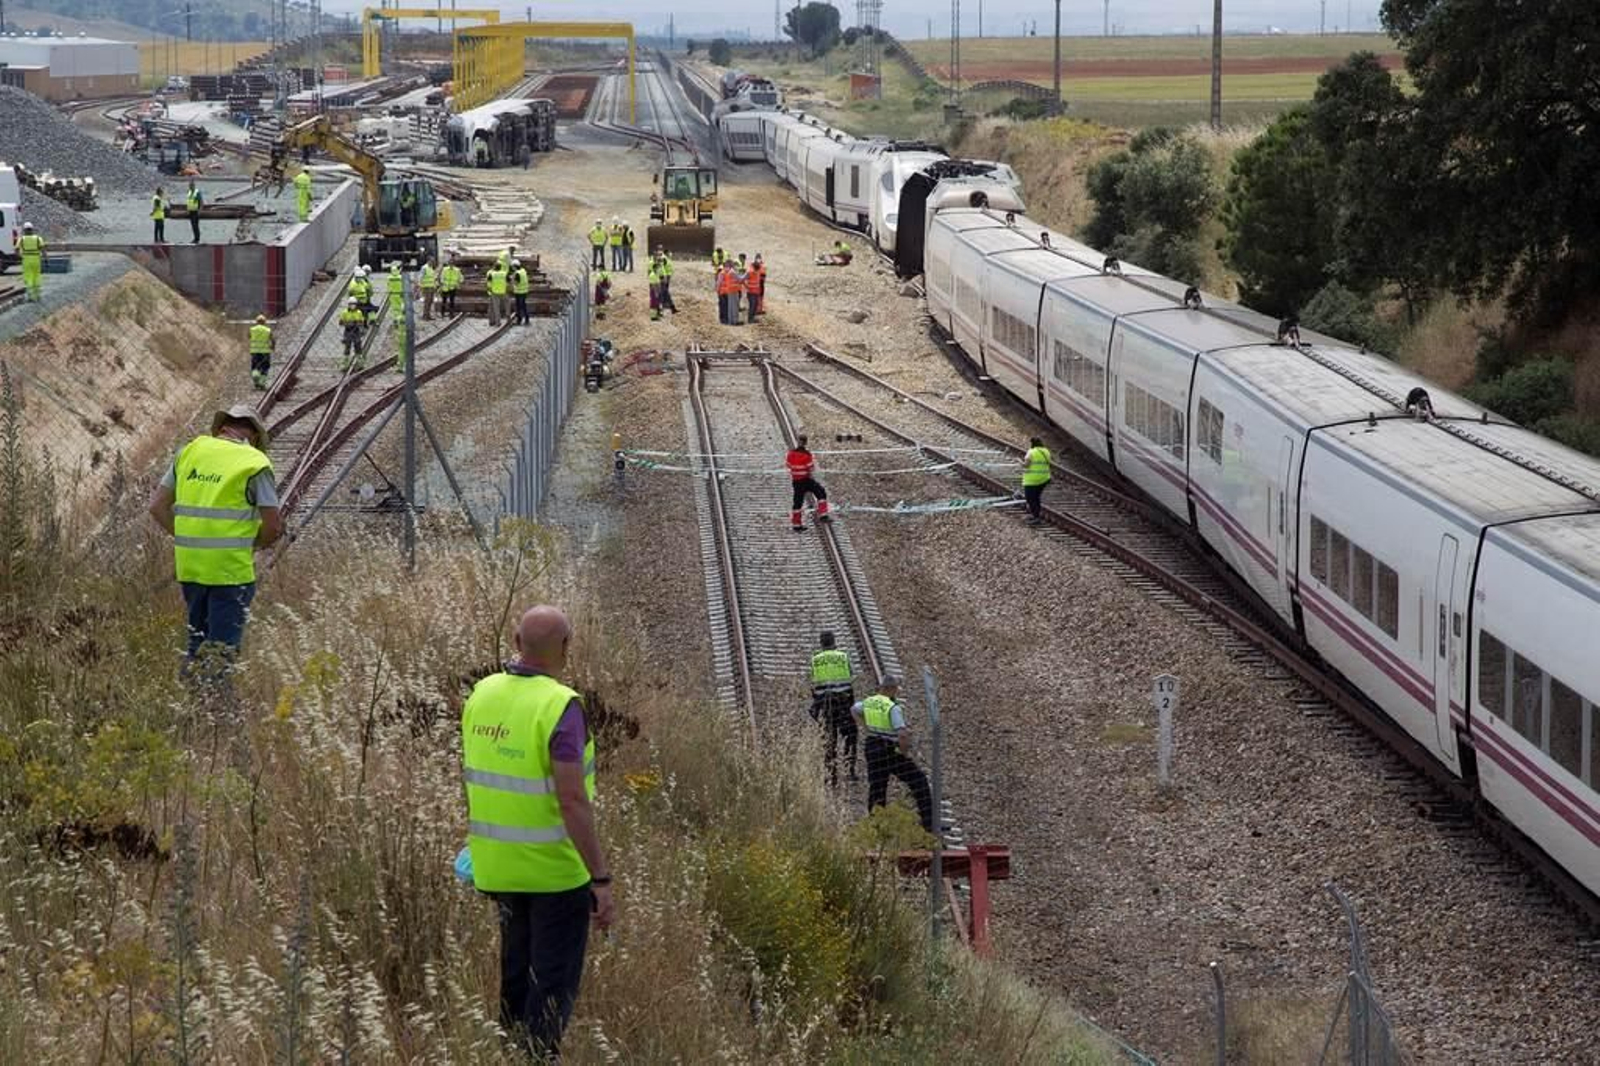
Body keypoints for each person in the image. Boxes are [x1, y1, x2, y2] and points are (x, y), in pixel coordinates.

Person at [461, 605, 614, 1061]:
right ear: (565, 648)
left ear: (515, 641)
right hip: (554, 874)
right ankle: (534, 1058)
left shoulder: (481, 694)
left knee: (514, 977)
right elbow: (571, 800)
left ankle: (510, 1054)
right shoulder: (560, 707)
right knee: (551, 985)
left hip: (496, 868)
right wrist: (600, 879)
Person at [147, 404, 281, 675]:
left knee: (196, 645)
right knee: (221, 652)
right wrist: (253, 542)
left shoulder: (189, 453)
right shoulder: (254, 463)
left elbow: (157, 507)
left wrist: (189, 537)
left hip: (191, 569)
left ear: (222, 428)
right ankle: (215, 708)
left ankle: (192, 706)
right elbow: (274, 526)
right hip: (230, 572)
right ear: (253, 436)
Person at [852, 676, 935, 833]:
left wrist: (865, 727)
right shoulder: (893, 707)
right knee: (919, 780)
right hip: (889, 750)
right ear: (890, 689)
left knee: (877, 786)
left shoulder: (869, 702)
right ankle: (928, 824)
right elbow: (902, 735)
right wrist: (903, 752)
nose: (897, 692)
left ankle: (876, 826)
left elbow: (854, 709)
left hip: (872, 747)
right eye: (896, 689)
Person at [810, 631, 858, 786]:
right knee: (850, 735)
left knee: (829, 738)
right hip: (843, 702)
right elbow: (852, 675)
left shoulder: (815, 660)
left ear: (821, 643)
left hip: (825, 704)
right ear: (834, 642)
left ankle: (831, 773)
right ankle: (849, 770)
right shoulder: (843, 656)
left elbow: (813, 682)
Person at [785, 434, 832, 532]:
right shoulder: (807, 455)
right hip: (806, 480)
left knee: (797, 502)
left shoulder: (791, 454)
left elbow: (788, 465)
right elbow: (810, 468)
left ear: (798, 441)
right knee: (821, 492)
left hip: (796, 482)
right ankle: (823, 515)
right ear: (806, 443)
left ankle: (796, 524)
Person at [1021, 435, 1051, 523]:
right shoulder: (1046, 451)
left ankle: (1035, 517)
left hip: (1032, 479)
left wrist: (1019, 462)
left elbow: (1026, 464)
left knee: (1030, 498)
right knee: (1036, 497)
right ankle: (1035, 515)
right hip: (1044, 478)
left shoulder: (1031, 452)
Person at [17, 222, 43, 302]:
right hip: (36, 260)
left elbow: (17, 249)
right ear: (32, 229)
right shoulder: (38, 238)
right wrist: (46, 259)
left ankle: (31, 297)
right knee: (37, 277)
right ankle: (38, 295)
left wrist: (20, 256)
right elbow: (43, 249)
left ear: (24, 230)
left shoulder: (21, 239)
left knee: (29, 277)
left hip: (26, 260)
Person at [338, 298, 366, 369]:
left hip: (356, 331)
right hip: (348, 330)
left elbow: (361, 322)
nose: (352, 306)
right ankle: (345, 364)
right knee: (347, 347)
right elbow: (340, 322)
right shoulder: (345, 312)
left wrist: (359, 326)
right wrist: (348, 323)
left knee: (358, 347)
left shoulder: (359, 312)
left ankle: (360, 363)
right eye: (351, 304)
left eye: (354, 304)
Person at [248, 313, 273, 390]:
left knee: (255, 366)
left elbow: (249, 337)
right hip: (265, 352)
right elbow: (272, 339)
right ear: (264, 322)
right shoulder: (268, 330)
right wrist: (272, 347)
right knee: (265, 367)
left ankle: (255, 377)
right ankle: (262, 383)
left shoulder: (252, 329)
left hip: (254, 352)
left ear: (256, 321)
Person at [486, 260, 508, 326]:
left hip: (494, 292)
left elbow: (488, 284)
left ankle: (493, 321)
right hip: (503, 291)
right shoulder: (504, 273)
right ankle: (506, 318)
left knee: (494, 308)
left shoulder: (490, 273)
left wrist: (490, 290)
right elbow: (508, 282)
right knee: (502, 306)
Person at [745, 254, 765, 322]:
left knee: (755, 305)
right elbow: (742, 279)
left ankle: (752, 318)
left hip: (756, 291)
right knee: (752, 305)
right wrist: (746, 286)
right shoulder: (750, 271)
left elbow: (762, 276)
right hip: (751, 292)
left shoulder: (758, 271)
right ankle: (750, 319)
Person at [512, 259, 531, 325]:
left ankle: (519, 320)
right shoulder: (523, 271)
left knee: (519, 307)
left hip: (519, 292)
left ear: (515, 266)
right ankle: (527, 319)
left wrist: (512, 280)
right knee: (523, 306)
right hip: (524, 291)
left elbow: (517, 283)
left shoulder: (517, 273)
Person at [186, 179, 203, 243]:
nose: (190, 187)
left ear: (194, 186)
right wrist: (187, 209)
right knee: (193, 225)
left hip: (196, 211)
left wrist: (200, 210)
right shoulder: (189, 192)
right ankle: (195, 238)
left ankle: (197, 238)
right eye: (190, 186)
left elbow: (201, 202)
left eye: (191, 185)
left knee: (196, 225)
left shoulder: (197, 192)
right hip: (191, 211)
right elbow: (188, 201)